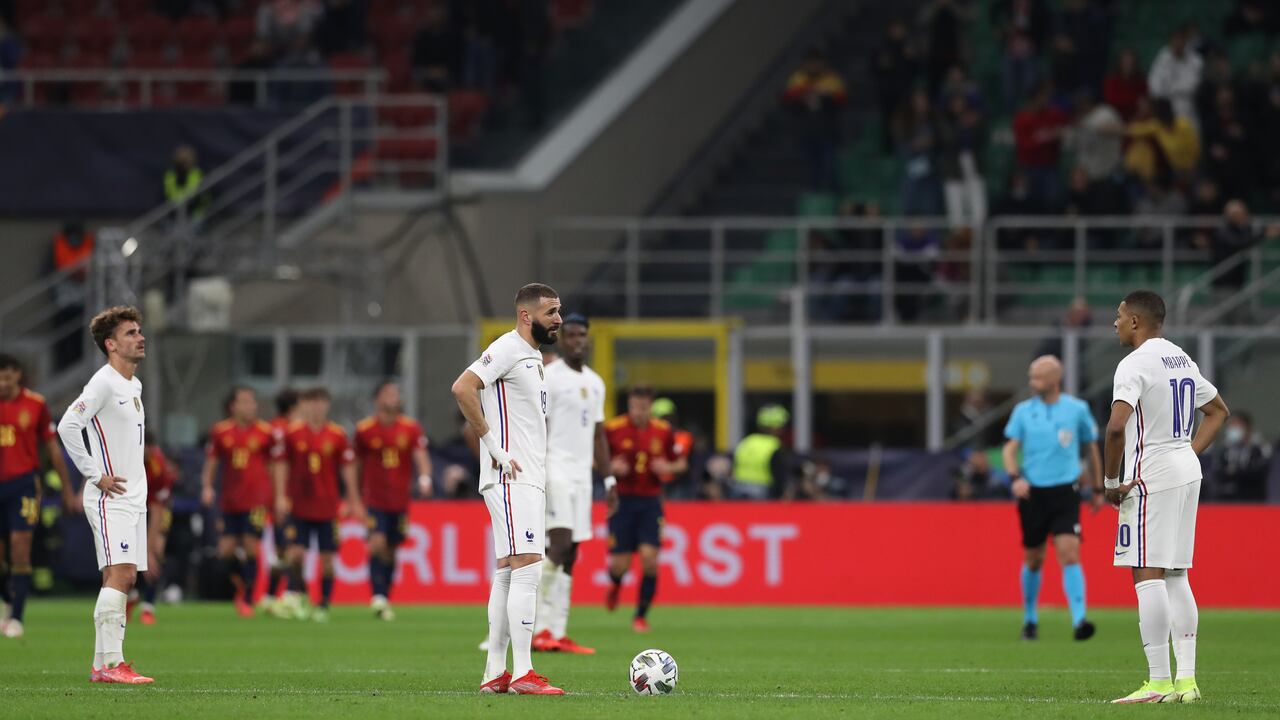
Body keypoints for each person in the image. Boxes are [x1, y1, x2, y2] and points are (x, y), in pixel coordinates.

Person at [1103, 289, 1230, 704]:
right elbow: (1217, 411)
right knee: (1177, 573)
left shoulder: (1133, 364)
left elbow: (1116, 428)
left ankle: (1158, 682)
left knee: (1146, 572)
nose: (1115, 323)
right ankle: (1187, 683)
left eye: (1119, 316)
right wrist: (1186, 455)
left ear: (1136, 321)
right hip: (1185, 470)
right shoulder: (1181, 357)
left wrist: (1109, 483)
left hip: (1152, 473)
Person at [451, 282, 564, 696]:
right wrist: (494, 447)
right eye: (551, 311)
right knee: (529, 567)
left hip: (524, 477)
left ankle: (495, 672)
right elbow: (463, 388)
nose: (558, 319)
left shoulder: (532, 357)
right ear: (526, 315)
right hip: (512, 476)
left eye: (558, 311)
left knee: (507, 571)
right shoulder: (508, 348)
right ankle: (523, 673)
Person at [55, 306, 155, 684]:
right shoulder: (103, 382)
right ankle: (114, 665)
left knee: (118, 576)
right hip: (110, 497)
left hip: (133, 496)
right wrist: (95, 475)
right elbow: (67, 425)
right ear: (111, 344)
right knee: (122, 575)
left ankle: (102, 665)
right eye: (131, 333)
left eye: (139, 331)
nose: (140, 337)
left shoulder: (133, 385)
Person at [1002, 355, 1103, 642]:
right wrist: (1014, 478)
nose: (1032, 382)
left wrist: (1097, 488)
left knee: (1069, 551)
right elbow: (1010, 450)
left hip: (1065, 491)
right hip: (1033, 492)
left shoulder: (1077, 409)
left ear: (1054, 379)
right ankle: (1030, 619)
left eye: (1037, 377)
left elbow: (1091, 449)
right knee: (1033, 558)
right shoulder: (1023, 411)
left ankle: (1080, 620)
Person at [531, 314, 609, 655]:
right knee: (559, 546)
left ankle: (558, 631)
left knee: (573, 553)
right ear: (562, 340)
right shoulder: (549, 377)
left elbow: (598, 434)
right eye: (571, 335)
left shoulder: (595, 382)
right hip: (554, 468)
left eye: (582, 335)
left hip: (582, 476)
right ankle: (535, 626)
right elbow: (535, 423)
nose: (577, 340)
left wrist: (609, 478)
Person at [273, 387, 363, 623]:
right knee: (295, 555)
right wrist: (281, 496)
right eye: (312, 402)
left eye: (321, 402)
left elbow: (348, 469)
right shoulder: (291, 434)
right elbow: (281, 465)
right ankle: (300, 594)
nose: (317, 407)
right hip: (299, 505)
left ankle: (322, 604)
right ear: (303, 404)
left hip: (327, 506)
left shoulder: (337, 434)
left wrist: (352, 500)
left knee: (328, 561)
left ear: (327, 405)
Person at [0, 354, 74, 639]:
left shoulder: (36, 404)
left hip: (23, 485)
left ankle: (17, 617)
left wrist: (67, 488)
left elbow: (52, 449)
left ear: (18, 375)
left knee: (20, 547)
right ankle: (8, 598)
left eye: (8, 376)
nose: (4, 383)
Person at [604, 385, 687, 633]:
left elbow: (681, 462)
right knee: (621, 565)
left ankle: (640, 615)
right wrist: (610, 467)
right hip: (621, 502)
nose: (639, 411)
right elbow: (595, 458)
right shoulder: (613, 429)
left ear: (650, 406)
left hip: (651, 501)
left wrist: (669, 468)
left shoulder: (663, 431)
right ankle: (616, 585)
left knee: (650, 560)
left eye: (644, 406)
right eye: (635, 406)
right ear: (629, 405)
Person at [354, 381, 432, 622]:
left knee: (390, 550)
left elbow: (421, 456)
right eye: (388, 394)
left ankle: (384, 597)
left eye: (395, 394)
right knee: (376, 543)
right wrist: (354, 497)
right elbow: (355, 466)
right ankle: (377, 596)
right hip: (374, 499)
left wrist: (425, 477)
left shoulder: (410, 428)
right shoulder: (365, 430)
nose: (393, 398)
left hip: (399, 501)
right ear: (377, 399)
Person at [201, 386, 276, 618]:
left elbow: (274, 467)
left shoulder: (266, 432)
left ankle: (249, 598)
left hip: (256, 501)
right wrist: (207, 487)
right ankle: (241, 585)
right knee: (226, 551)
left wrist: (275, 494)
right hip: (229, 501)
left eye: (252, 402)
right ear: (233, 406)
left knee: (252, 546)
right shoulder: (220, 432)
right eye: (244, 402)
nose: (249, 406)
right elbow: (211, 463)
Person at [783, 51, 848, 191]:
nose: (813, 66)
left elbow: (842, 101)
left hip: (827, 130)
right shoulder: (798, 79)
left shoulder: (831, 79)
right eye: (810, 63)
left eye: (816, 62)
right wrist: (804, 99)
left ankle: (832, 197)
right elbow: (788, 101)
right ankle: (814, 198)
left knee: (829, 166)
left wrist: (823, 97)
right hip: (806, 131)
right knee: (812, 168)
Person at [262, 388, 300, 609]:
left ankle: (271, 595)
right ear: (294, 408)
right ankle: (291, 594)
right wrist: (280, 495)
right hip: (287, 497)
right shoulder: (285, 431)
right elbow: (275, 465)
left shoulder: (270, 428)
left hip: (278, 496)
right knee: (290, 548)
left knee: (283, 549)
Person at [133, 434, 176, 626]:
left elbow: (158, 511)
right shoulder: (124, 460)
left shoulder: (159, 468)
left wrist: (148, 552)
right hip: (132, 507)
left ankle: (148, 607)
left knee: (157, 551)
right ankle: (131, 596)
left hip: (158, 508)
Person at [1148, 25, 1204, 128]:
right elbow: (1154, 86)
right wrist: (1169, 91)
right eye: (1175, 40)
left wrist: (1167, 88)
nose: (1178, 43)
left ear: (1186, 41)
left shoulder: (1196, 60)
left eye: (1181, 40)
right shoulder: (1163, 56)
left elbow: (1191, 88)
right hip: (1164, 107)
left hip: (1186, 108)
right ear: (1170, 41)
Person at [732, 405, 792, 499]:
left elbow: (734, 466)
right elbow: (779, 477)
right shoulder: (773, 445)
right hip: (763, 494)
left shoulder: (746, 441)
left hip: (738, 491)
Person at [1207, 412, 1271, 501]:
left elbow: (1259, 474)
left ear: (1248, 428)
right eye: (1230, 425)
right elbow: (1217, 473)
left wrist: (1235, 473)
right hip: (1226, 501)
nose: (1232, 429)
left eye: (1236, 424)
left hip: (1252, 501)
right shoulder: (1224, 451)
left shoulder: (1259, 450)